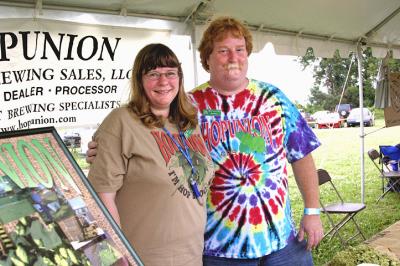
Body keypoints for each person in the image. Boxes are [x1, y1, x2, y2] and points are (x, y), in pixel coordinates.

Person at [87, 17, 324, 266]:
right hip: (217, 247)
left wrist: (312, 210)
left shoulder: (274, 99)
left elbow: (302, 154)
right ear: (207, 58)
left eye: (239, 50)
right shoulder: (187, 107)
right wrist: (101, 150)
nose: (233, 57)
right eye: (223, 50)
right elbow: (142, 135)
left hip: (281, 241)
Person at [87, 43, 214, 266]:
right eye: (153, 74)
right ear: (139, 80)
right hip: (142, 258)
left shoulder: (188, 123)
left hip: (192, 256)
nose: (163, 82)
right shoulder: (121, 122)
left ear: (180, 78)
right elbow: (101, 194)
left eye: (170, 73)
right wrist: (117, 253)